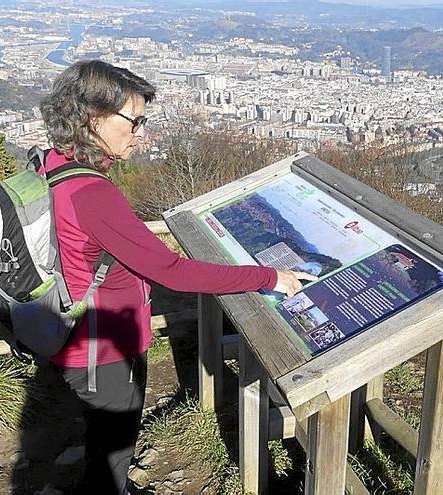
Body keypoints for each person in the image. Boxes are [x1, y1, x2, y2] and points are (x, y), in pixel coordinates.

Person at [38, 60, 316, 494]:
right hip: (106, 345)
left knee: (106, 438)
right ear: (93, 119)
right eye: (134, 121)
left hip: (77, 333)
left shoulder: (55, 165)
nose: (141, 133)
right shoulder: (93, 193)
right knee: (113, 441)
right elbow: (172, 271)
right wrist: (266, 277)